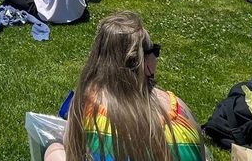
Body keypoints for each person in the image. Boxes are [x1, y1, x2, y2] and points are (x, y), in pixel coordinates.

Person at [43, 11, 205, 161]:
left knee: (54, 146)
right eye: (155, 51)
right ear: (145, 61)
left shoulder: (87, 107)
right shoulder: (180, 110)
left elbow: (74, 154)